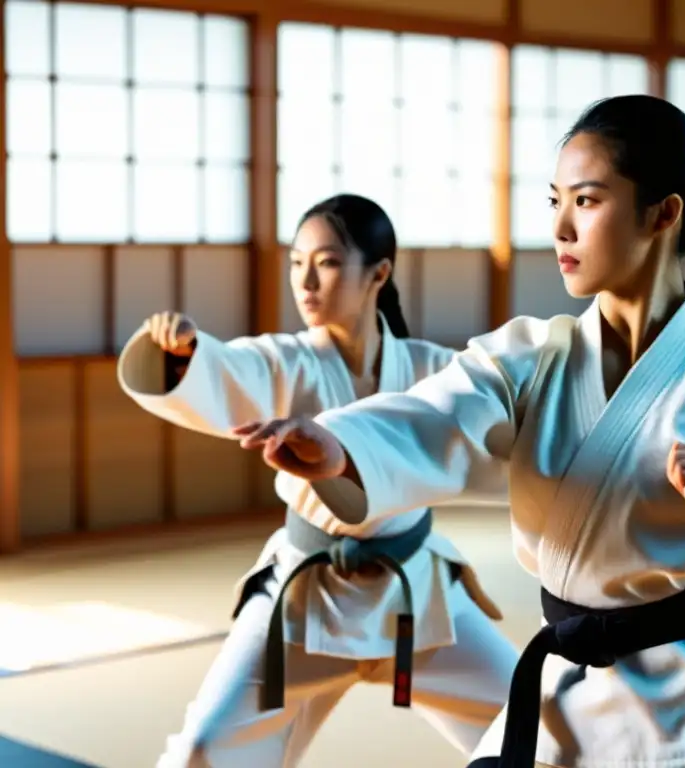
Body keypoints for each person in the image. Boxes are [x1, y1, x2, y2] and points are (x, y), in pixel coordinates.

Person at [235, 97, 685, 768]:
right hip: (571, 684)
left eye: (588, 201)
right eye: (555, 202)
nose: (561, 229)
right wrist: (341, 447)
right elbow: (435, 414)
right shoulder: (527, 358)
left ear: (664, 214)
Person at [116, 193, 519, 767]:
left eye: (326, 262)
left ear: (378, 273)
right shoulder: (285, 361)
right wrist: (183, 357)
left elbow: (494, 419)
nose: (304, 281)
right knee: (205, 750)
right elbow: (230, 371)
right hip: (307, 596)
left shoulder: (432, 368)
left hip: (416, 592)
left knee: (534, 725)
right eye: (296, 262)